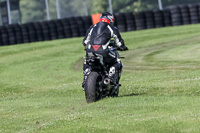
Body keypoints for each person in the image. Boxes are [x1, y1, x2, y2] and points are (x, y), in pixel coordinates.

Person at [82, 12, 128, 88]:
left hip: (90, 51)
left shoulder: (92, 27)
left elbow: (85, 42)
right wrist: (123, 47)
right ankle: (110, 78)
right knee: (117, 62)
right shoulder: (111, 28)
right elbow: (120, 43)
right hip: (103, 51)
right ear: (110, 20)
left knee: (87, 62)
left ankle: (85, 78)